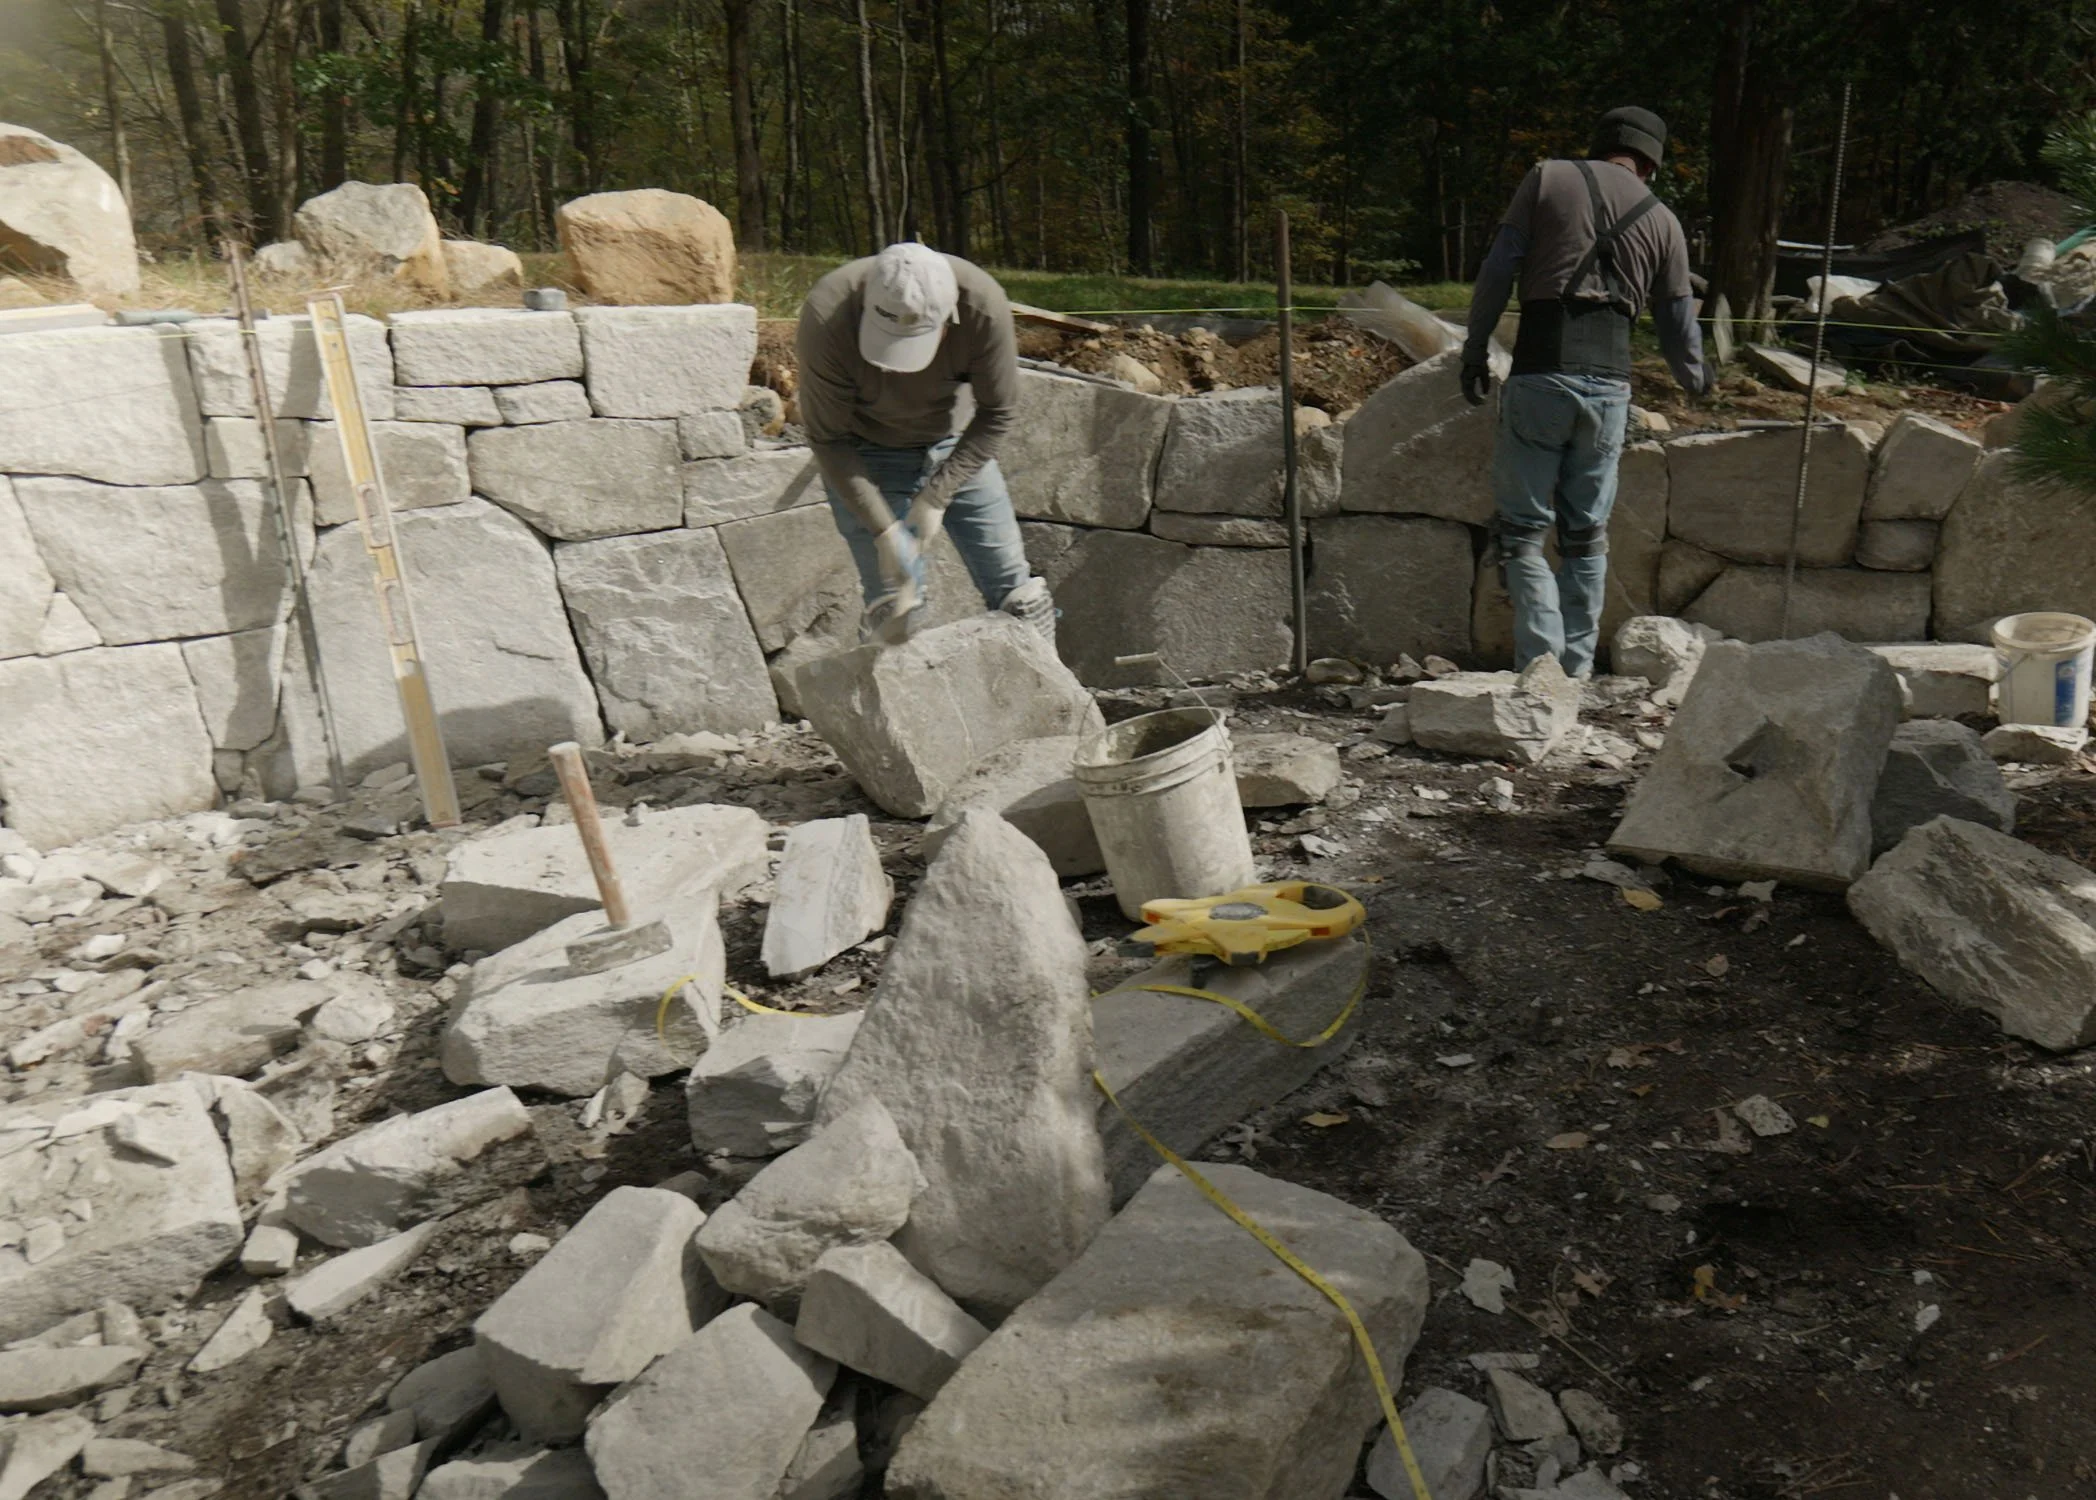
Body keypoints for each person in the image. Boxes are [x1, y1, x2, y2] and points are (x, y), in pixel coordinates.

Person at [1462, 105, 1712, 677]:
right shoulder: (1664, 219)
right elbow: (1678, 324)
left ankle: (1540, 673)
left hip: (1540, 371)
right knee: (1586, 535)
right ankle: (1573, 674)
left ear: (1598, 145)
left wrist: (1475, 350)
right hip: (1610, 388)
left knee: (1524, 533)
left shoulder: (1547, 177)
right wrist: (1697, 381)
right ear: (1651, 164)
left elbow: (1498, 269)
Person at [796, 242, 1054, 645]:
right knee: (895, 610)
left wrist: (937, 495)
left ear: (947, 321)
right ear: (867, 303)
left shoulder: (981, 306)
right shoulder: (828, 312)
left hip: (955, 443)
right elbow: (827, 438)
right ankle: (892, 701)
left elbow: (998, 413)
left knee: (1021, 599)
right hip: (863, 453)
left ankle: (1049, 706)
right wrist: (884, 531)